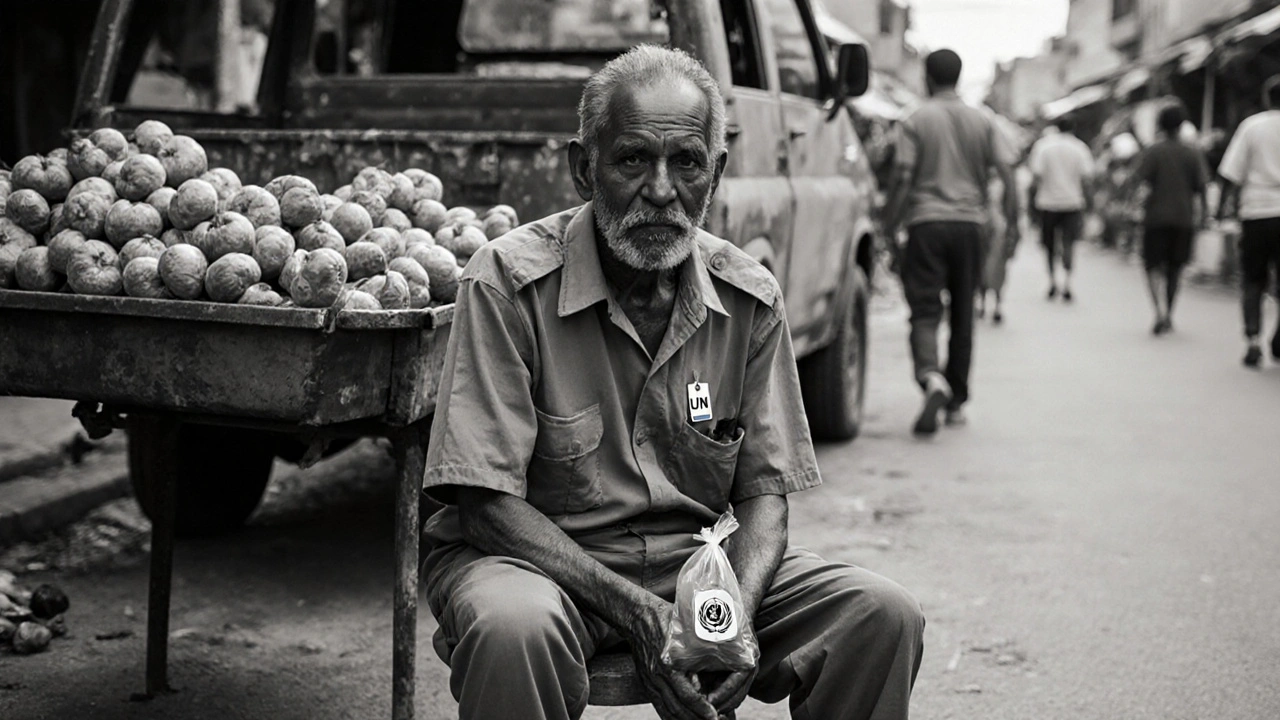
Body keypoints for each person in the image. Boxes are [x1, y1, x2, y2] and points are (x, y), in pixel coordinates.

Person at [420, 46, 925, 720]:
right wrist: (642, 616)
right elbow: (484, 504)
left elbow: (765, 497)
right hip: (536, 564)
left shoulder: (747, 297)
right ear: (583, 168)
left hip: (692, 565)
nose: (662, 190)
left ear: (713, 174)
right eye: (633, 160)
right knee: (517, 630)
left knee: (880, 615)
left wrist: (731, 621)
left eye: (685, 163)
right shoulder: (506, 281)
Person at [884, 48, 1019, 434]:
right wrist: (1013, 223)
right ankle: (956, 400)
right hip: (970, 227)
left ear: (927, 77)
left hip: (926, 225)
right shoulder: (984, 121)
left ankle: (931, 377)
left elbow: (902, 177)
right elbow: (1008, 175)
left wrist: (890, 223)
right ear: (958, 77)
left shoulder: (915, 119)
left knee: (925, 309)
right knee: (963, 314)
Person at [1124, 104, 1208, 335]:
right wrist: (1205, 216)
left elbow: (1138, 181)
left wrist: (1131, 206)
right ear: (1181, 125)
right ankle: (1169, 312)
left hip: (1156, 218)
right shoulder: (1192, 152)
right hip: (1183, 218)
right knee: (1175, 268)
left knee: (1152, 265)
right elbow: (1202, 188)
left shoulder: (1153, 151)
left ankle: (1158, 310)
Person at [1217, 75, 1280, 368]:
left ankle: (1253, 339)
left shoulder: (1252, 126)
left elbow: (1231, 173)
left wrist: (1220, 209)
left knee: (1253, 280)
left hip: (1256, 212)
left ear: (1268, 99)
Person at [1026, 116, 1095, 301]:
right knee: (1069, 243)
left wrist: (1031, 205)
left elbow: (1035, 177)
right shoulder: (1080, 148)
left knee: (1049, 246)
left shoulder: (1043, 146)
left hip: (1047, 203)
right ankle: (1067, 282)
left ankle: (1052, 281)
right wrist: (1090, 204)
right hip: (1072, 203)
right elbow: (1087, 178)